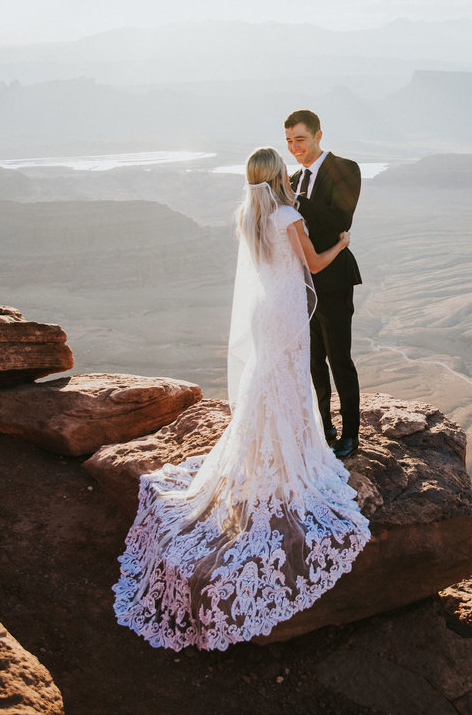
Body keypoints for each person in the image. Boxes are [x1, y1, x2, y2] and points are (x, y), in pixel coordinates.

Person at [112, 146, 371, 650]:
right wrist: (341, 243)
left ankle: (260, 451)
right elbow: (314, 265)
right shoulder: (290, 215)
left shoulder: (247, 214)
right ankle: (290, 455)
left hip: (264, 311)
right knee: (291, 380)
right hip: (288, 311)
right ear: (277, 177)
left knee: (266, 382)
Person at [285, 109, 362, 459]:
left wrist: (295, 201)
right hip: (300, 281)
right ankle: (324, 424)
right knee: (312, 358)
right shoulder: (294, 178)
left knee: (338, 357)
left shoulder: (344, 169)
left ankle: (350, 434)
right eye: (288, 141)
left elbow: (339, 218)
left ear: (318, 135)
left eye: (300, 139)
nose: (294, 147)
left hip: (332, 280)